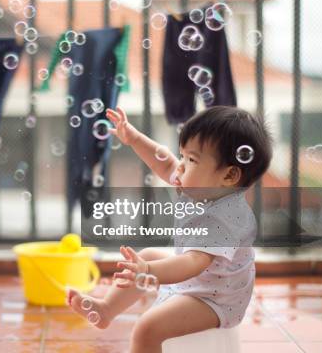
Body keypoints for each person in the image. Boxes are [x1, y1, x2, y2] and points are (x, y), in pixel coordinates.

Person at [67, 105, 273, 353]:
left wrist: (148, 272)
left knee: (148, 327)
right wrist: (134, 138)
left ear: (229, 176)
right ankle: (105, 310)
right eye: (183, 156)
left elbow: (191, 263)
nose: (182, 166)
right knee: (149, 255)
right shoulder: (201, 185)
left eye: (192, 159)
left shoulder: (225, 219)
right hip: (202, 280)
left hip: (216, 298)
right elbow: (164, 162)